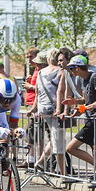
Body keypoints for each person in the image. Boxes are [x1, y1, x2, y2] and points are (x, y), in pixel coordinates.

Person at [63, 55, 96, 182]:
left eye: (71, 68)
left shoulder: (95, 77)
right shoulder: (84, 80)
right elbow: (86, 100)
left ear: (77, 68)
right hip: (91, 118)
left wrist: (88, 107)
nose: (70, 71)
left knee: (70, 148)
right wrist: (76, 103)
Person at [26, 48, 66, 176]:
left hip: (43, 109)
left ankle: (42, 162)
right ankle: (61, 172)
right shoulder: (61, 72)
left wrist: (33, 108)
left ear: (48, 59)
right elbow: (61, 92)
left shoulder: (41, 72)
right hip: (54, 110)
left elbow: (37, 93)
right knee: (58, 141)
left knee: (55, 139)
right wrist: (60, 109)